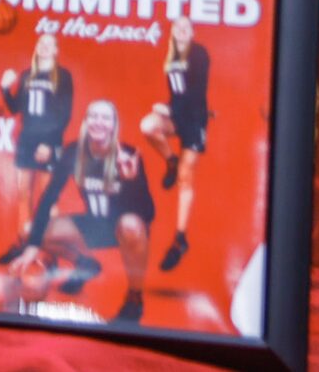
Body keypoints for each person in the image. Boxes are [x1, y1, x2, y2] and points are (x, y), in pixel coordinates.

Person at [15, 99, 157, 326]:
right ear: (86, 121)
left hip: (124, 228)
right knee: (29, 232)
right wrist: (32, 246)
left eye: (105, 117)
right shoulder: (74, 152)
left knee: (131, 224)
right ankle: (85, 264)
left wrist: (131, 181)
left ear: (114, 125)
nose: (99, 122)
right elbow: (49, 197)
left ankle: (134, 297)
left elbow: (149, 213)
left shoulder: (126, 153)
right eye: (94, 116)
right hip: (93, 226)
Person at [0, 30, 74, 265]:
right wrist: (6, 89)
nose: (45, 47)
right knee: (23, 193)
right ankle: (23, 242)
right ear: (37, 47)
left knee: (48, 197)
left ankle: (50, 250)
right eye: (42, 43)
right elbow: (15, 108)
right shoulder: (27, 75)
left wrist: (49, 143)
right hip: (27, 140)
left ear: (56, 50)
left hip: (49, 142)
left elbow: (64, 114)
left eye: (50, 44)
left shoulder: (63, 77)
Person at [139, 17, 212, 272]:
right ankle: (170, 159)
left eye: (185, 27)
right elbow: (175, 94)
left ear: (192, 31)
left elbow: (194, 93)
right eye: (176, 27)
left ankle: (180, 238)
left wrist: (169, 109)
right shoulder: (171, 57)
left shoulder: (198, 54)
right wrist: (168, 109)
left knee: (185, 177)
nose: (181, 31)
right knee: (148, 125)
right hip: (177, 116)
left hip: (194, 121)